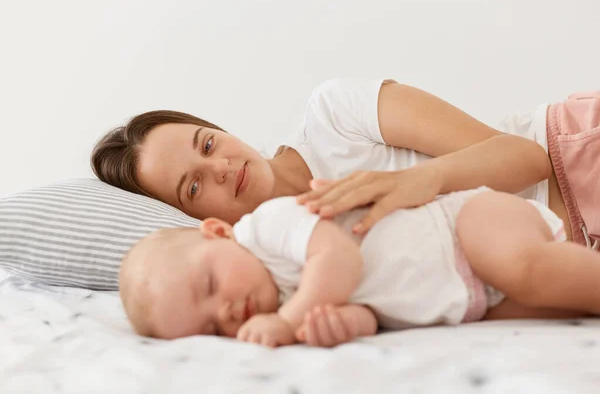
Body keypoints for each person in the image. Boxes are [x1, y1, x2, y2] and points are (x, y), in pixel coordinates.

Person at [92, 79, 600, 318]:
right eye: (195, 186)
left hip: (573, 164)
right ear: (192, 218)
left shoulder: (333, 116)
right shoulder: (280, 281)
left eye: (208, 143)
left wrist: (421, 182)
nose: (222, 167)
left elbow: (528, 158)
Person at [119, 187, 600, 348]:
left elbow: (340, 258)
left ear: (218, 232)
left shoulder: (265, 228)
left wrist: (287, 324)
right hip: (469, 300)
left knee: (523, 269)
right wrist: (336, 326)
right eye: (209, 329)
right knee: (548, 307)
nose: (225, 311)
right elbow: (372, 314)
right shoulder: (283, 305)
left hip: (465, 227)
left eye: (209, 284)